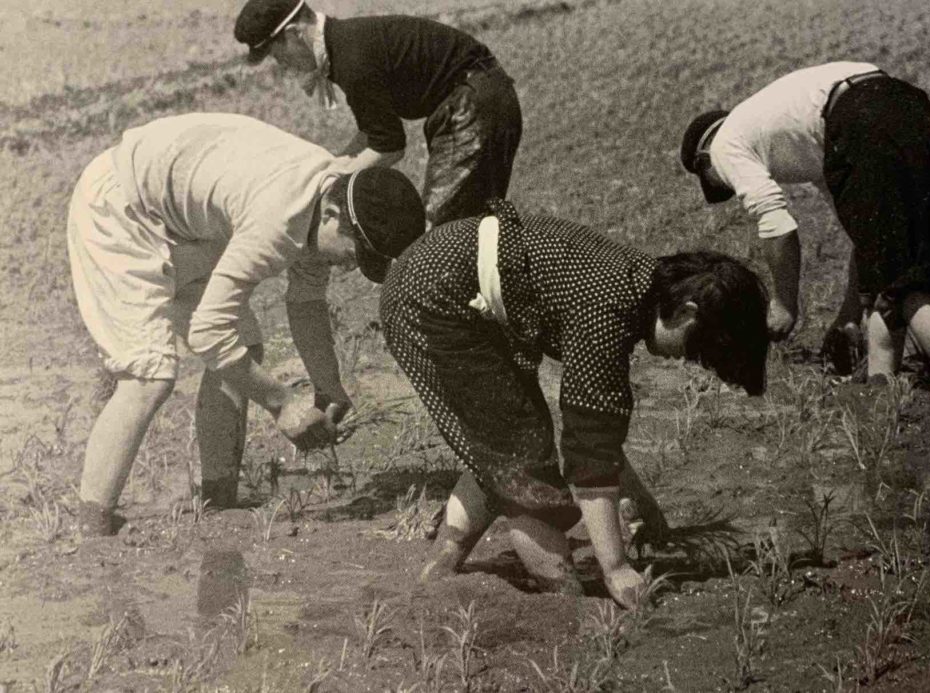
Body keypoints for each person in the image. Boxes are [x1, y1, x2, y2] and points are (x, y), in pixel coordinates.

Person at [380, 198, 768, 606]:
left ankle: (442, 566)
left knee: (505, 441)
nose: (685, 359)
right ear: (688, 312)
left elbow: (600, 436)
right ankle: (561, 598)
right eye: (695, 349)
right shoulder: (610, 309)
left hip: (443, 281)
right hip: (433, 297)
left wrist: (647, 510)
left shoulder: (635, 282)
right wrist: (616, 568)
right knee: (524, 458)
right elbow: (589, 454)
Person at [67, 112, 425, 535]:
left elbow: (307, 302)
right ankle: (92, 524)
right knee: (150, 375)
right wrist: (282, 403)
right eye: (355, 252)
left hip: (180, 219)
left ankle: (219, 497)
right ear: (331, 215)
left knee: (244, 346)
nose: (350, 267)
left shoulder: (331, 194)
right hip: (121, 206)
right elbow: (207, 332)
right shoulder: (280, 219)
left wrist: (326, 384)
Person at [679, 62, 930, 392]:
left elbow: (777, 225)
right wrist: (849, 316)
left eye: (716, 182)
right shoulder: (798, 132)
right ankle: (879, 388)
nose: (728, 186)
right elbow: (865, 240)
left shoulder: (724, 145)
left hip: (863, 118)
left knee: (910, 284)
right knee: (890, 267)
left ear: (703, 157)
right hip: (915, 110)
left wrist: (784, 304)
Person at [234, 0, 522, 228]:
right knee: (470, 228)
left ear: (294, 34)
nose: (282, 64)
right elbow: (372, 132)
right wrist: (330, 166)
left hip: (473, 106)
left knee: (440, 235)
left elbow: (389, 147)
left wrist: (327, 186)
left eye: (276, 54)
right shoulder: (344, 44)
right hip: (477, 99)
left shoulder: (352, 59)